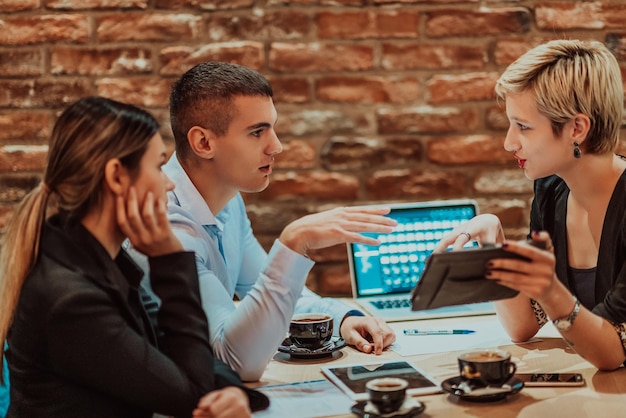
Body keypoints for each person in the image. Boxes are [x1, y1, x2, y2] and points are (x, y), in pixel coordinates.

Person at [0, 96, 268, 417]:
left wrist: (229, 390)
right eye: (158, 166)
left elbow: (175, 349)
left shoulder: (101, 261)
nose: (168, 184)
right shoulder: (70, 299)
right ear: (116, 176)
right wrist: (170, 258)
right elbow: (190, 395)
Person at [131, 62, 398, 381]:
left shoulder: (229, 202)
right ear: (203, 143)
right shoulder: (164, 221)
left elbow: (267, 295)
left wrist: (342, 317)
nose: (277, 146)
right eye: (257, 132)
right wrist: (293, 244)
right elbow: (235, 360)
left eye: (272, 128)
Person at [435, 39, 626, 370]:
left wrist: (551, 291)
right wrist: (495, 246)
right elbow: (523, 327)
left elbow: (612, 350)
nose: (509, 142)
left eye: (522, 126)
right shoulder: (552, 190)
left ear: (577, 128)